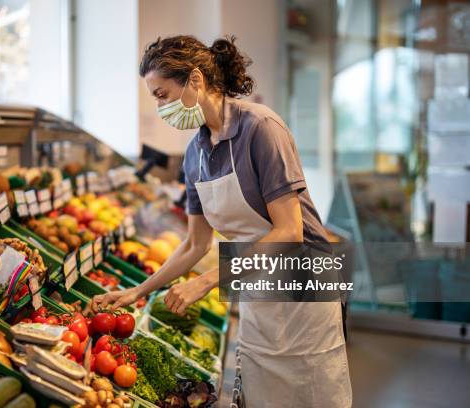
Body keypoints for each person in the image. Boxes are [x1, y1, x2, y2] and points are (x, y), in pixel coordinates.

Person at [91, 35, 352, 408]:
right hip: (256, 289)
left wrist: (209, 280)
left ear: (195, 80)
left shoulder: (260, 128)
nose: (160, 106)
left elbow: (289, 231)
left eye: (162, 94)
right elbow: (195, 244)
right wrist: (138, 291)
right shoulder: (194, 153)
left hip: (303, 290)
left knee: (310, 393)